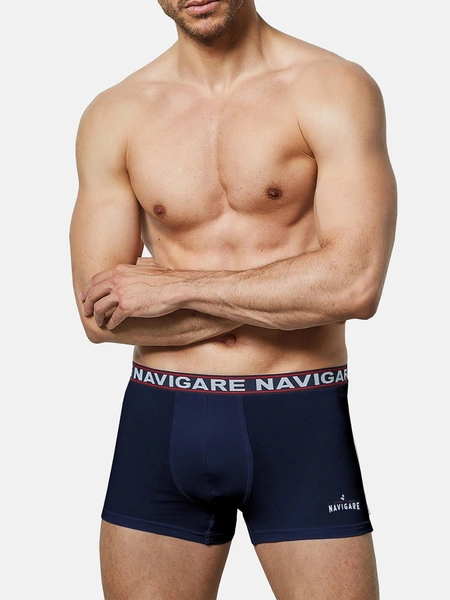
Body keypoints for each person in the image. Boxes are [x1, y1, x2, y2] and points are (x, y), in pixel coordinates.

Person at [69, 1, 397, 598]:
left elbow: (354, 283)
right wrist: (287, 293)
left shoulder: (332, 88)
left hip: (299, 418)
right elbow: (101, 316)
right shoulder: (116, 113)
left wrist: (177, 287)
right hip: (160, 420)